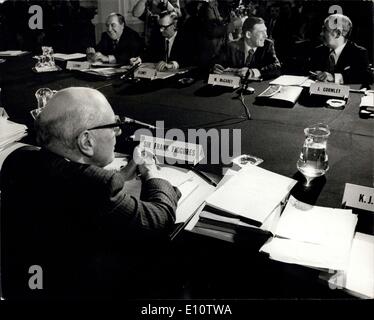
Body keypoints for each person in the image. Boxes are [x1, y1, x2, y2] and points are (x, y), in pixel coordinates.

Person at [0, 87, 181, 300]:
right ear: (86, 142)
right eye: (113, 126)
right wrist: (151, 172)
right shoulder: (97, 187)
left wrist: (122, 175)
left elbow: (70, 182)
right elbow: (159, 218)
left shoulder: (19, 159)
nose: (118, 132)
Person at [213, 16, 281, 80]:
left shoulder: (267, 44)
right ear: (248, 34)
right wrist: (216, 68)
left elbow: (277, 67)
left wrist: (253, 72)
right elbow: (215, 64)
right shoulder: (230, 46)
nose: (266, 35)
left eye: (265, 31)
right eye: (261, 32)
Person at [309, 13, 371, 85]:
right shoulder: (318, 51)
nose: (321, 34)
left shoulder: (358, 53)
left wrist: (334, 77)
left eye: (324, 30)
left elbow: (366, 77)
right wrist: (315, 75)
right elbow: (309, 73)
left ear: (338, 34)